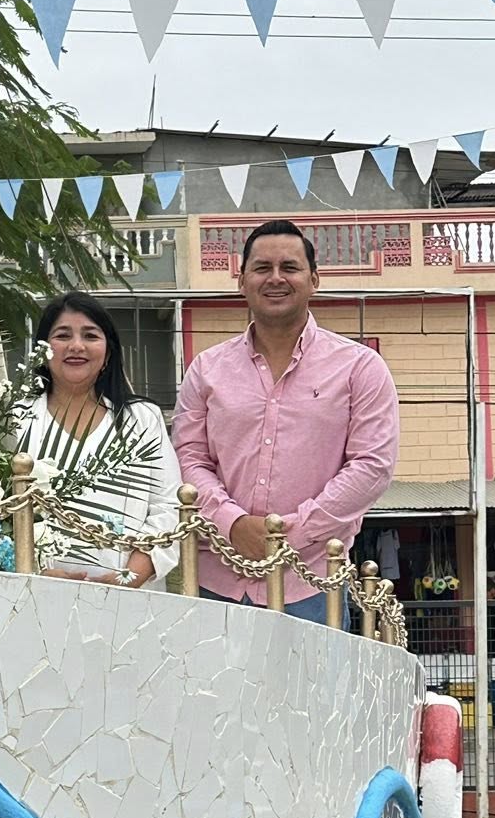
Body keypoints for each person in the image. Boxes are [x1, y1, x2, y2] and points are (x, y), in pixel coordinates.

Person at [171, 217, 399, 622]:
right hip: (215, 580)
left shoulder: (360, 368)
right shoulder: (206, 369)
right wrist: (232, 523)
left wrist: (293, 532)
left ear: (314, 280)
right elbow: (188, 457)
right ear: (242, 281)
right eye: (262, 268)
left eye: (289, 267)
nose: (275, 278)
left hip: (311, 584)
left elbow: (371, 467)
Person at [20, 292, 181, 589]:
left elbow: (168, 506)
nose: (76, 346)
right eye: (62, 335)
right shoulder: (15, 419)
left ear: (108, 353)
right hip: (32, 592)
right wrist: (37, 574)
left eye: (90, 335)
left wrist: (129, 577)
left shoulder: (142, 419)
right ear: (43, 350)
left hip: (131, 597)